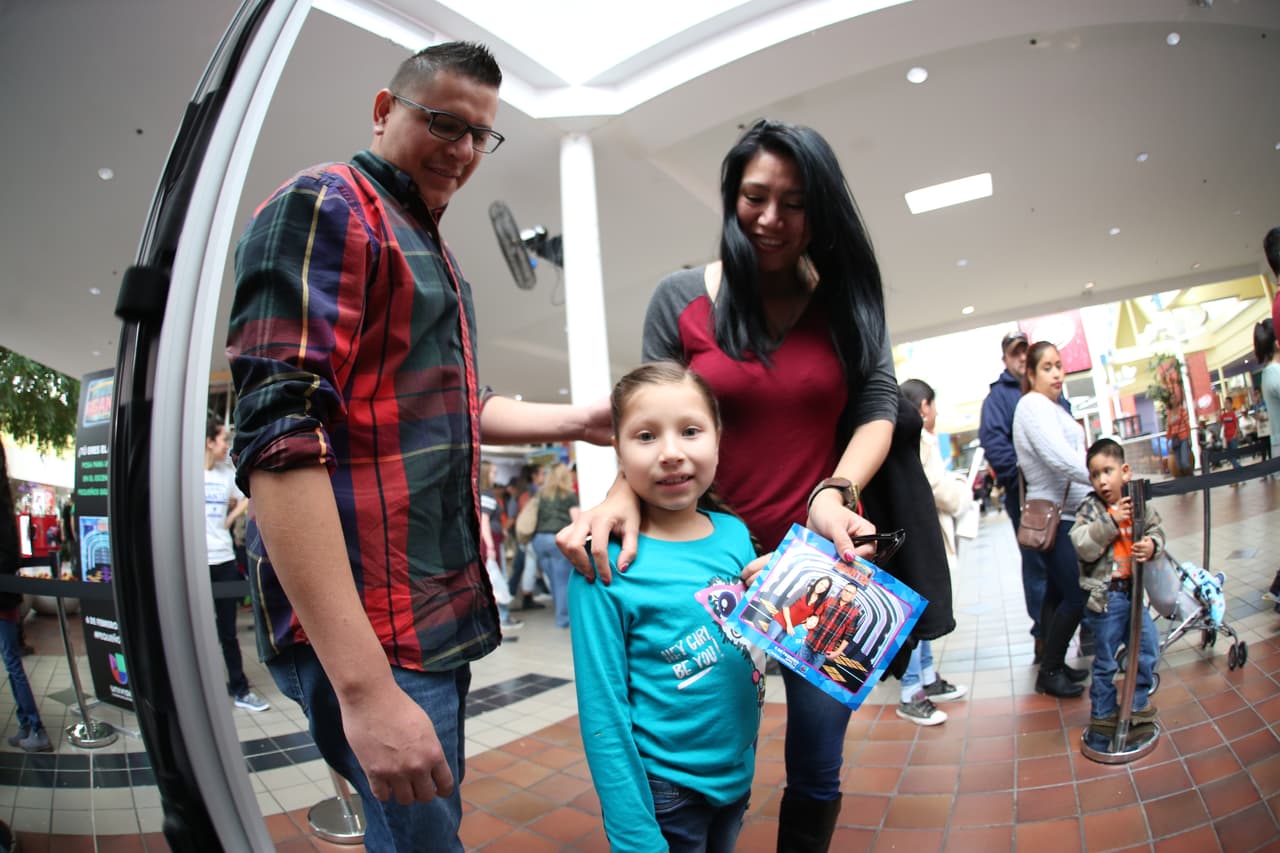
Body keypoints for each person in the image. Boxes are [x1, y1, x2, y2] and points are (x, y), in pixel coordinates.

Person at [226, 41, 611, 852]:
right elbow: (277, 436)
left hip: (430, 613)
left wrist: (579, 419)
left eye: (480, 135)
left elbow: (461, 406)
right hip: (376, 626)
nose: (463, 149)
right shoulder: (329, 202)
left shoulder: (429, 246)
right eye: (444, 122)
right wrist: (365, 689)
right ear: (383, 109)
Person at [560, 119, 902, 850]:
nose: (771, 218)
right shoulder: (681, 297)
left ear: (821, 211)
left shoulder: (846, 299)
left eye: (795, 203)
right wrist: (619, 494)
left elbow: (879, 402)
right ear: (730, 197)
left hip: (817, 560)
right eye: (755, 197)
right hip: (707, 554)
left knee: (818, 760)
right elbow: (647, 412)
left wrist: (836, 489)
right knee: (702, 726)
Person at [570, 362, 764, 853]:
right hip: (666, 792)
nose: (672, 452)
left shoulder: (735, 534)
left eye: (691, 431)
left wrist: (784, 594)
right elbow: (602, 711)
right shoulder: (604, 562)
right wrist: (634, 836)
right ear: (618, 450)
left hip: (738, 771)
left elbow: (753, 646)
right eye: (646, 436)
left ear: (718, 438)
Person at [979, 330, 1067, 661]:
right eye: (1014, 353)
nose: (1019, 357)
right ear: (1005, 358)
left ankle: (1073, 628)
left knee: (1069, 558)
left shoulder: (1050, 392)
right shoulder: (998, 398)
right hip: (1028, 499)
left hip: (1063, 494)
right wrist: (1024, 476)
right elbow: (994, 444)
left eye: (1023, 352)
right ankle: (1044, 635)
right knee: (1037, 564)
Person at [1012, 342, 1093, 699]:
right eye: (1047, 367)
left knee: (1058, 593)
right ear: (1031, 374)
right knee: (1076, 595)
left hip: (1067, 514)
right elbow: (1059, 457)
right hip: (1055, 517)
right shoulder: (1032, 405)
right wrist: (1102, 478)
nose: (1057, 373)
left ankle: (1053, 663)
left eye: (1059, 365)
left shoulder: (1053, 407)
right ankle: (1050, 671)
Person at [1070, 438, 1162, 732]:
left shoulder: (1138, 503)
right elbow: (1082, 544)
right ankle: (1103, 711)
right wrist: (1111, 521)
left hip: (1134, 594)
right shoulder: (1091, 508)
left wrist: (1152, 545)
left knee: (1147, 646)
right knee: (1106, 660)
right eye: (1095, 475)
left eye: (1107, 471)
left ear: (1125, 471)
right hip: (1106, 600)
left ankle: (1137, 702)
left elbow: (1156, 529)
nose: (1102, 481)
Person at [896, 379, 968, 726]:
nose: (935, 412)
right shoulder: (916, 437)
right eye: (933, 404)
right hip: (914, 536)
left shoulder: (914, 436)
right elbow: (938, 487)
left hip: (919, 533)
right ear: (923, 406)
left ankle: (925, 678)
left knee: (921, 608)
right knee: (913, 611)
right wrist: (961, 493)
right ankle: (911, 691)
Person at [204, 414, 267, 712]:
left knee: (228, 631)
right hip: (196, 564)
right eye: (222, 439)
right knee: (197, 630)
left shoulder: (225, 474)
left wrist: (229, 518)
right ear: (208, 442)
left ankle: (239, 688)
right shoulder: (187, 474)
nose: (226, 445)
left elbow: (246, 494)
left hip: (224, 558)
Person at [0, 441, 52, 752]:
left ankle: (36, 728)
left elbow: (9, 557)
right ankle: (25, 724)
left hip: (3, 599)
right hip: (6, 597)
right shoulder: (5, 503)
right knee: (11, 662)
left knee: (12, 663)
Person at [531, 463, 579, 629]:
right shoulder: (569, 495)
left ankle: (560, 612)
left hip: (539, 541)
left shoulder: (541, 494)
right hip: (557, 540)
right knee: (563, 582)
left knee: (553, 580)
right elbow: (576, 521)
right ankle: (563, 619)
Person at [479, 462, 520, 630]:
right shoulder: (487, 495)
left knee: (492, 578)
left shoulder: (479, 493)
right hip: (491, 541)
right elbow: (484, 521)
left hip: (490, 539)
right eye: (493, 472)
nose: (495, 476)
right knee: (498, 578)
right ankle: (502, 617)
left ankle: (498, 617)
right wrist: (490, 546)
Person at [767, 576, 831, 643]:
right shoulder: (803, 590)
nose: (821, 587)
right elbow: (786, 606)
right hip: (780, 622)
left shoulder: (819, 602)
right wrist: (789, 625)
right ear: (818, 582)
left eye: (825, 587)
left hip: (792, 629)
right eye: (821, 583)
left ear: (826, 591)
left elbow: (809, 617)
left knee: (776, 648)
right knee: (766, 643)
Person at [1219, 398, 1243, 474]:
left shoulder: (1233, 414)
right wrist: (1219, 412)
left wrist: (1235, 435)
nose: (1225, 405)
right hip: (1227, 438)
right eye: (1224, 403)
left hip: (1233, 437)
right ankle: (1238, 468)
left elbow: (1237, 425)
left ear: (1230, 404)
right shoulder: (1224, 415)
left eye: (1227, 403)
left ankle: (1238, 469)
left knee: (1233, 454)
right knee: (1229, 455)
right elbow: (1218, 420)